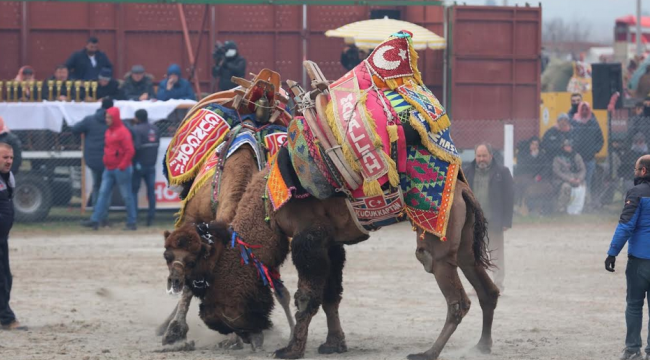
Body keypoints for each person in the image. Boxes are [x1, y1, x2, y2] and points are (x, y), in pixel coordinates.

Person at [605, 154, 650, 360]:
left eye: (635, 170)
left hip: (640, 260)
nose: (634, 173)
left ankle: (633, 350)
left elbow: (626, 226)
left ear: (643, 172)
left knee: (634, 304)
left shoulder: (636, 193)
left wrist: (612, 252)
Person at [463, 143, 514, 293]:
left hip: (494, 221)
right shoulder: (467, 172)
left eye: (484, 155)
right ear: (475, 156)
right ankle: (477, 285)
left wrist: (506, 221)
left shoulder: (502, 172)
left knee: (496, 253)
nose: (481, 159)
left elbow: (509, 197)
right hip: (474, 222)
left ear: (491, 156)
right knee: (476, 256)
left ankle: (497, 285)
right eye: (478, 156)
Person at [81, 107, 136, 231]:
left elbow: (130, 150)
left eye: (109, 117)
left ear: (115, 118)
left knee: (126, 196)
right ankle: (95, 220)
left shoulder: (123, 132)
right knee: (103, 194)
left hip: (121, 169)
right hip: (109, 168)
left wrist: (122, 165)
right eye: (106, 117)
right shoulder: (108, 131)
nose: (107, 120)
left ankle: (131, 222)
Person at [0, 143, 26, 331]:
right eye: (4, 157)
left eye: (11, 157)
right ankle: (7, 319)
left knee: (6, 278)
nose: (9, 161)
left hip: (2, 238)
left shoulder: (8, 178)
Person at [71, 98, 111, 215]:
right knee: (106, 187)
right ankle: (104, 214)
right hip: (108, 159)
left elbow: (75, 129)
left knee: (96, 185)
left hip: (92, 158)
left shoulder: (90, 120)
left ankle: (96, 212)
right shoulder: (112, 122)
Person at [131, 109, 160, 226]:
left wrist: (135, 161)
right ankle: (151, 217)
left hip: (139, 165)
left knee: (134, 191)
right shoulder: (155, 129)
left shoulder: (136, 129)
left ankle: (134, 216)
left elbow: (136, 147)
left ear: (137, 118)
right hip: (151, 165)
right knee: (151, 192)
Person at [570, 101, 604, 194]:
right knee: (577, 182)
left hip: (590, 159)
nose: (584, 111)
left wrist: (594, 150)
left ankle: (587, 204)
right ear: (579, 110)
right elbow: (569, 137)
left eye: (586, 109)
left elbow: (600, 140)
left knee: (588, 182)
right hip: (576, 159)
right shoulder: (574, 122)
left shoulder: (593, 123)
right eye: (582, 109)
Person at [514, 137, 552, 214]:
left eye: (536, 145)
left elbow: (546, 167)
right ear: (529, 144)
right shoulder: (522, 153)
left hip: (537, 178)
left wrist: (540, 176)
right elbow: (522, 166)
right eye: (532, 144)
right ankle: (518, 207)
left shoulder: (541, 154)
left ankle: (540, 209)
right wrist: (532, 156)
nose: (534, 146)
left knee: (547, 187)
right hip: (524, 176)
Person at [551, 139, 586, 213]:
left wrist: (579, 179)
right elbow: (557, 172)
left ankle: (582, 207)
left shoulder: (577, 156)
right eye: (566, 146)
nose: (568, 148)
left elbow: (583, 169)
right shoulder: (558, 158)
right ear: (563, 147)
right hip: (561, 180)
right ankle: (561, 209)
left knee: (583, 186)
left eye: (570, 146)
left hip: (576, 178)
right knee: (566, 187)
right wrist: (569, 179)